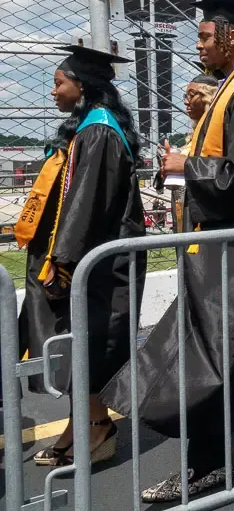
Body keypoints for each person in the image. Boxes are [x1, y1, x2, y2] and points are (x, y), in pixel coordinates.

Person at [102, 0, 234, 502]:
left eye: (205, 36)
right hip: (224, 248)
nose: (198, 44)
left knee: (211, 358)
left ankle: (208, 463)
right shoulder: (232, 89)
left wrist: (186, 166)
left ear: (232, 37)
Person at [16, 45, 146, 466]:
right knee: (77, 346)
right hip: (89, 259)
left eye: (58, 82)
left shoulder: (100, 131)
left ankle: (96, 427)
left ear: (83, 85)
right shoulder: (89, 128)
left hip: (96, 263)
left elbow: (87, 204)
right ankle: (86, 425)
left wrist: (64, 262)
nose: (52, 91)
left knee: (87, 343)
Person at [158, 74, 218, 232]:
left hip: (203, 214)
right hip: (183, 209)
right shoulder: (194, 135)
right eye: (185, 96)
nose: (186, 101)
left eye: (191, 96)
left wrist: (183, 164)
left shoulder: (215, 135)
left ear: (208, 98)